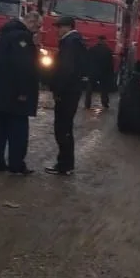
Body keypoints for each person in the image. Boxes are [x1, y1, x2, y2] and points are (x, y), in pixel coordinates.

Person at [0, 11, 42, 175]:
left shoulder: (7, 33)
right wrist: (23, 91)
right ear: (30, 22)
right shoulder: (22, 37)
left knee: (1, 126)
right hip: (16, 94)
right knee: (19, 129)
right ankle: (16, 163)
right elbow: (22, 65)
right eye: (37, 26)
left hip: (3, 91)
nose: (37, 30)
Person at [46, 16, 87, 176]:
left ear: (68, 27)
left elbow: (66, 69)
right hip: (72, 91)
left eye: (59, 27)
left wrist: (57, 90)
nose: (57, 30)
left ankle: (64, 165)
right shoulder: (76, 41)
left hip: (67, 92)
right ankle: (66, 163)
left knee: (62, 128)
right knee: (66, 127)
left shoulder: (70, 43)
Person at [84, 35, 113, 109]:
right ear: (104, 41)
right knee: (104, 89)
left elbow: (87, 60)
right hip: (104, 72)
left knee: (89, 89)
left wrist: (87, 71)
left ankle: (87, 104)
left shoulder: (92, 49)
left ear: (98, 40)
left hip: (93, 72)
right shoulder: (108, 51)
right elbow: (110, 64)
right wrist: (110, 74)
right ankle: (105, 103)